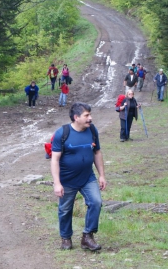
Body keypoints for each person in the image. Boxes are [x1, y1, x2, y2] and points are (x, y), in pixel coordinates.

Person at [50, 102, 107, 251]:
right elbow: (55, 159)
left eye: (90, 114)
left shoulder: (92, 131)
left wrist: (102, 175)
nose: (90, 118)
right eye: (86, 115)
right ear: (76, 117)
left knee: (96, 202)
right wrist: (57, 183)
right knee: (65, 209)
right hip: (67, 180)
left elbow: (97, 153)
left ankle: (88, 236)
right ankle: (66, 238)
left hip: (88, 177)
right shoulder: (62, 133)